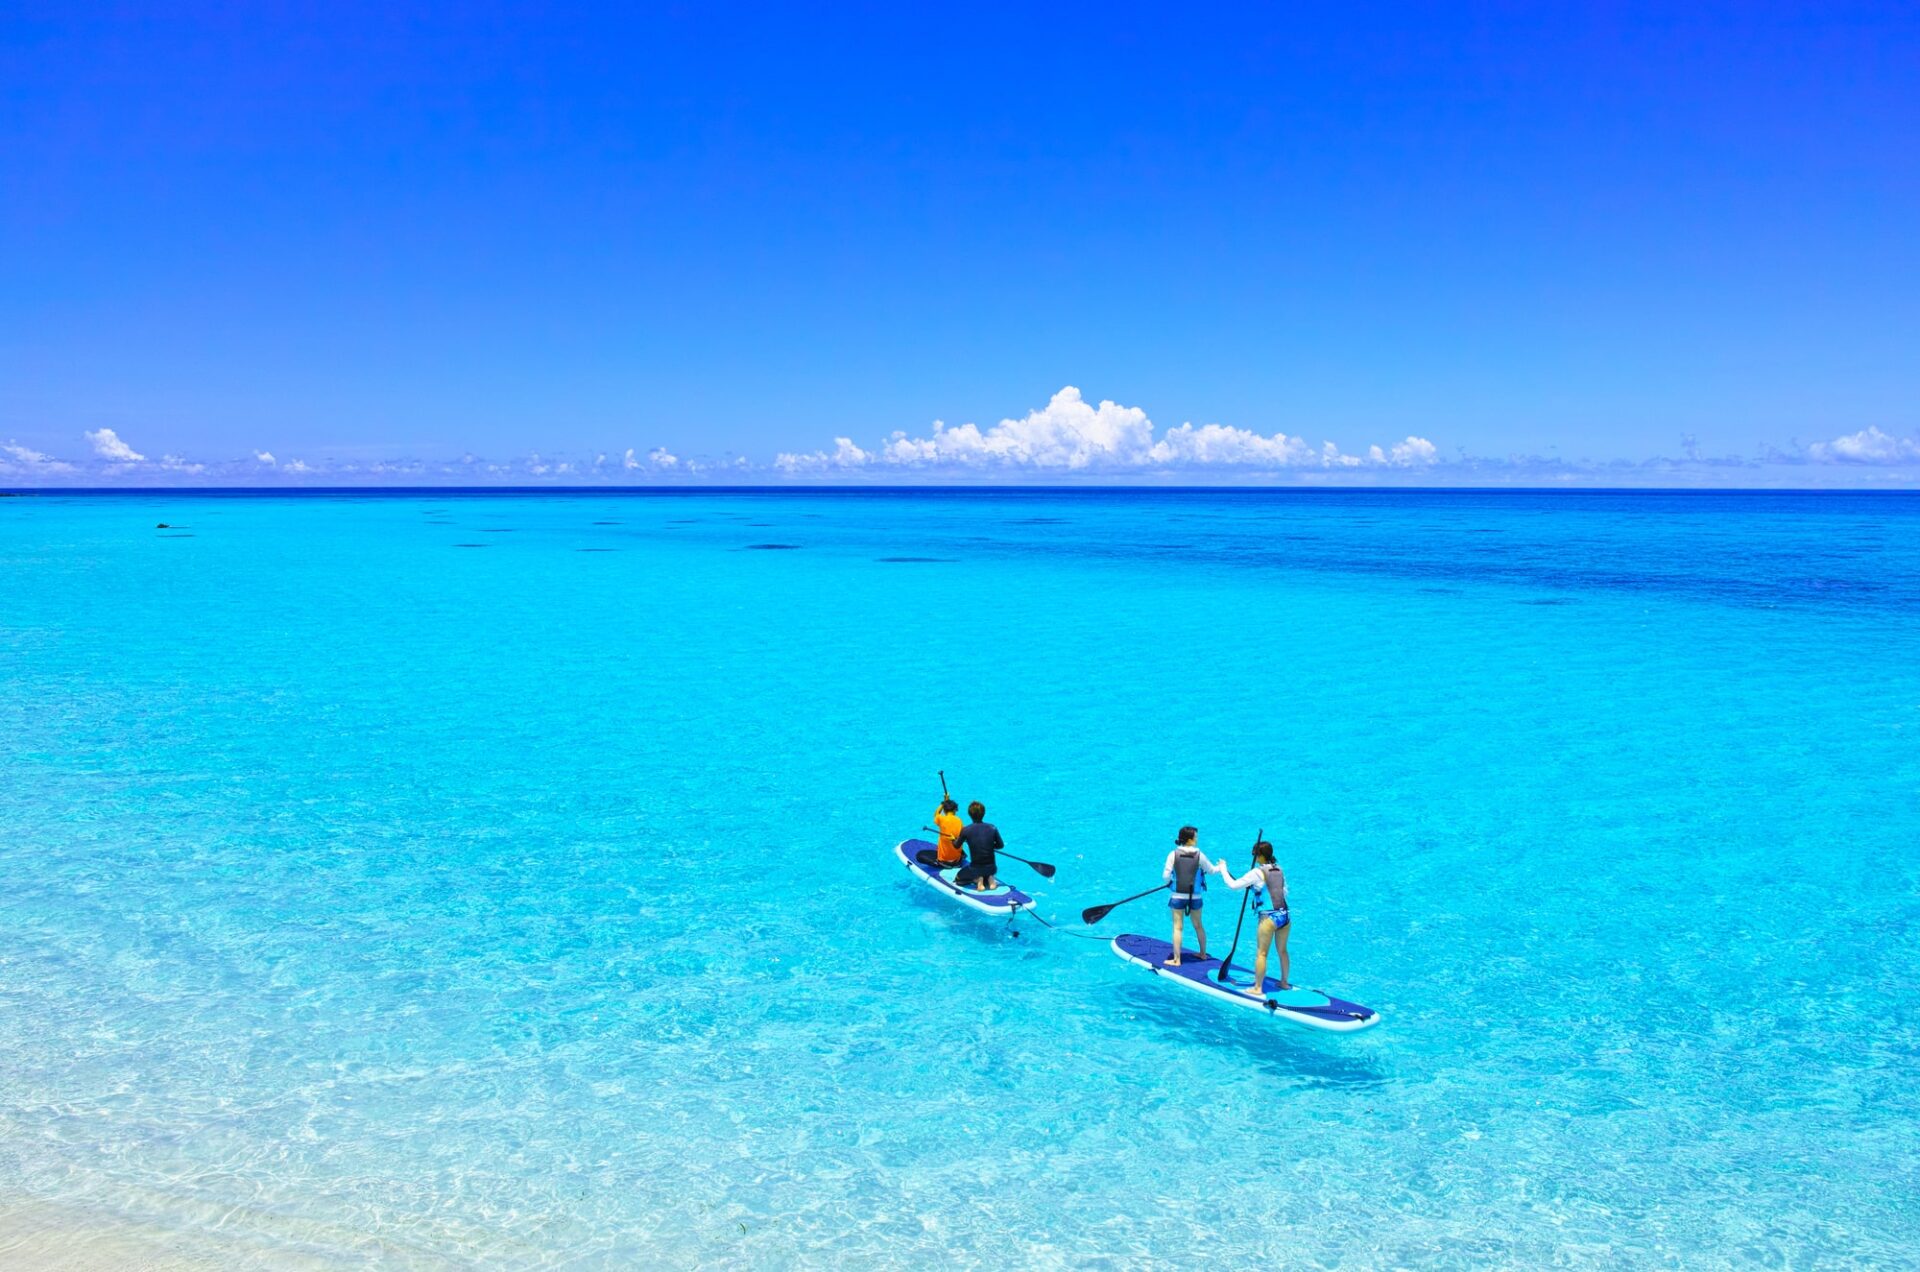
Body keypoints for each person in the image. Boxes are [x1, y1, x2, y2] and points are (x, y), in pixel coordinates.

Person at [1217, 840, 1292, 994]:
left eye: (1255, 855)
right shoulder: (1279, 869)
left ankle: (1257, 988)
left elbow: (1233, 885)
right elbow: (1283, 892)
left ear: (1259, 856)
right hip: (1285, 915)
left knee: (1262, 953)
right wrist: (1256, 887)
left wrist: (1223, 869)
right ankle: (1284, 983)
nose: (1255, 858)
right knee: (1282, 951)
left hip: (1269, 918)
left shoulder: (1256, 873)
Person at [1163, 826, 1223, 966]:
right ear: (1189, 839)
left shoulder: (1173, 854)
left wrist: (1171, 883)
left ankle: (1177, 959)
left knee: (1178, 927)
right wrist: (1221, 866)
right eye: (1195, 837)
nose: (1197, 839)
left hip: (1177, 897)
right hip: (1195, 897)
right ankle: (1202, 953)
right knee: (1198, 925)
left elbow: (1165, 876)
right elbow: (1212, 870)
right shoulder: (1200, 855)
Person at [954, 801, 1003, 890]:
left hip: (975, 868)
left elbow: (956, 846)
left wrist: (953, 840)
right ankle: (990, 878)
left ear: (970, 814)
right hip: (992, 868)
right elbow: (1000, 845)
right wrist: (990, 846)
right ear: (983, 813)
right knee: (987, 869)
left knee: (958, 878)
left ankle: (979, 880)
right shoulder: (992, 827)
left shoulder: (966, 830)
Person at [933, 797, 965, 866]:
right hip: (957, 860)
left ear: (944, 810)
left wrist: (943, 803)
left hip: (943, 860)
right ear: (955, 810)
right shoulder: (959, 821)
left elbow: (936, 814)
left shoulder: (941, 819)